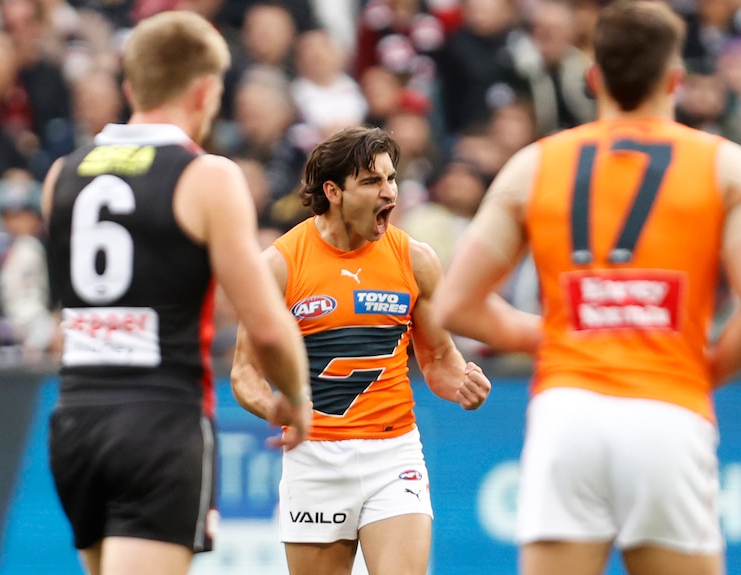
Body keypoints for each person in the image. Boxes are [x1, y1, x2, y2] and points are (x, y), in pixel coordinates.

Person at [433, 2, 741, 575]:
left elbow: (457, 304)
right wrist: (700, 370)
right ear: (674, 79)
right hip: (668, 409)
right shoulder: (726, 166)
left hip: (568, 410)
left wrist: (559, 335)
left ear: (592, 77)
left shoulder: (535, 165)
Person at [41, 11, 311, 575]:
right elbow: (265, 324)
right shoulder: (206, 175)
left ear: (129, 86)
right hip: (160, 418)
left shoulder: (62, 174)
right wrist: (296, 397)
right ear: (207, 90)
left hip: (75, 419)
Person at [230, 125, 492, 575]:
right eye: (372, 181)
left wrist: (463, 382)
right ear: (333, 191)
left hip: (394, 454)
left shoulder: (415, 260)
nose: (389, 192)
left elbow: (435, 359)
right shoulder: (279, 265)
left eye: (391, 179)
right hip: (316, 458)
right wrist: (273, 406)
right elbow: (244, 372)